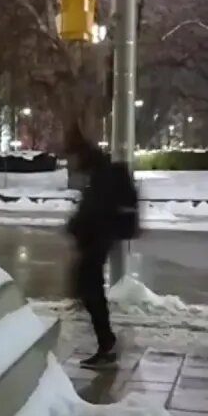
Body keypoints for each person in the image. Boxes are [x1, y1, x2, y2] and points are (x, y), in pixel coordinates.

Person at [64, 127, 140, 369]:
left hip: (96, 243)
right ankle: (106, 343)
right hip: (96, 242)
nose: (70, 162)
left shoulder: (101, 176)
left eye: (71, 157)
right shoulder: (99, 173)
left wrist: (76, 226)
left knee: (91, 293)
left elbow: (95, 211)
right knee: (90, 293)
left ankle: (107, 345)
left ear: (81, 155)